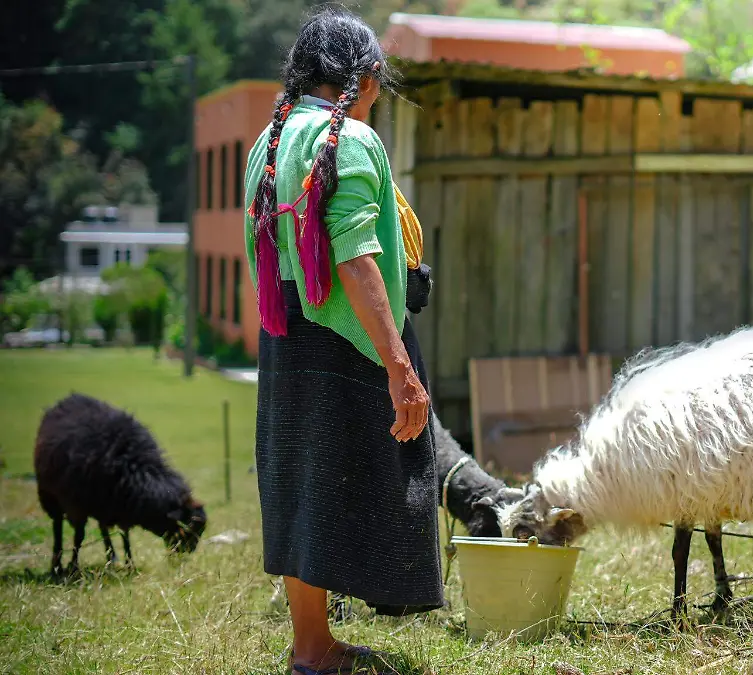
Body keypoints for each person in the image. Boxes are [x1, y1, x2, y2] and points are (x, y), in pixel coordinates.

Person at [242, 7, 441, 674]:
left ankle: (312, 645)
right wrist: (398, 363)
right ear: (365, 79)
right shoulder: (351, 140)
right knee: (367, 477)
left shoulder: (265, 146)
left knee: (303, 486)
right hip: (346, 339)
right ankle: (319, 649)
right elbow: (356, 256)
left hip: (286, 337)